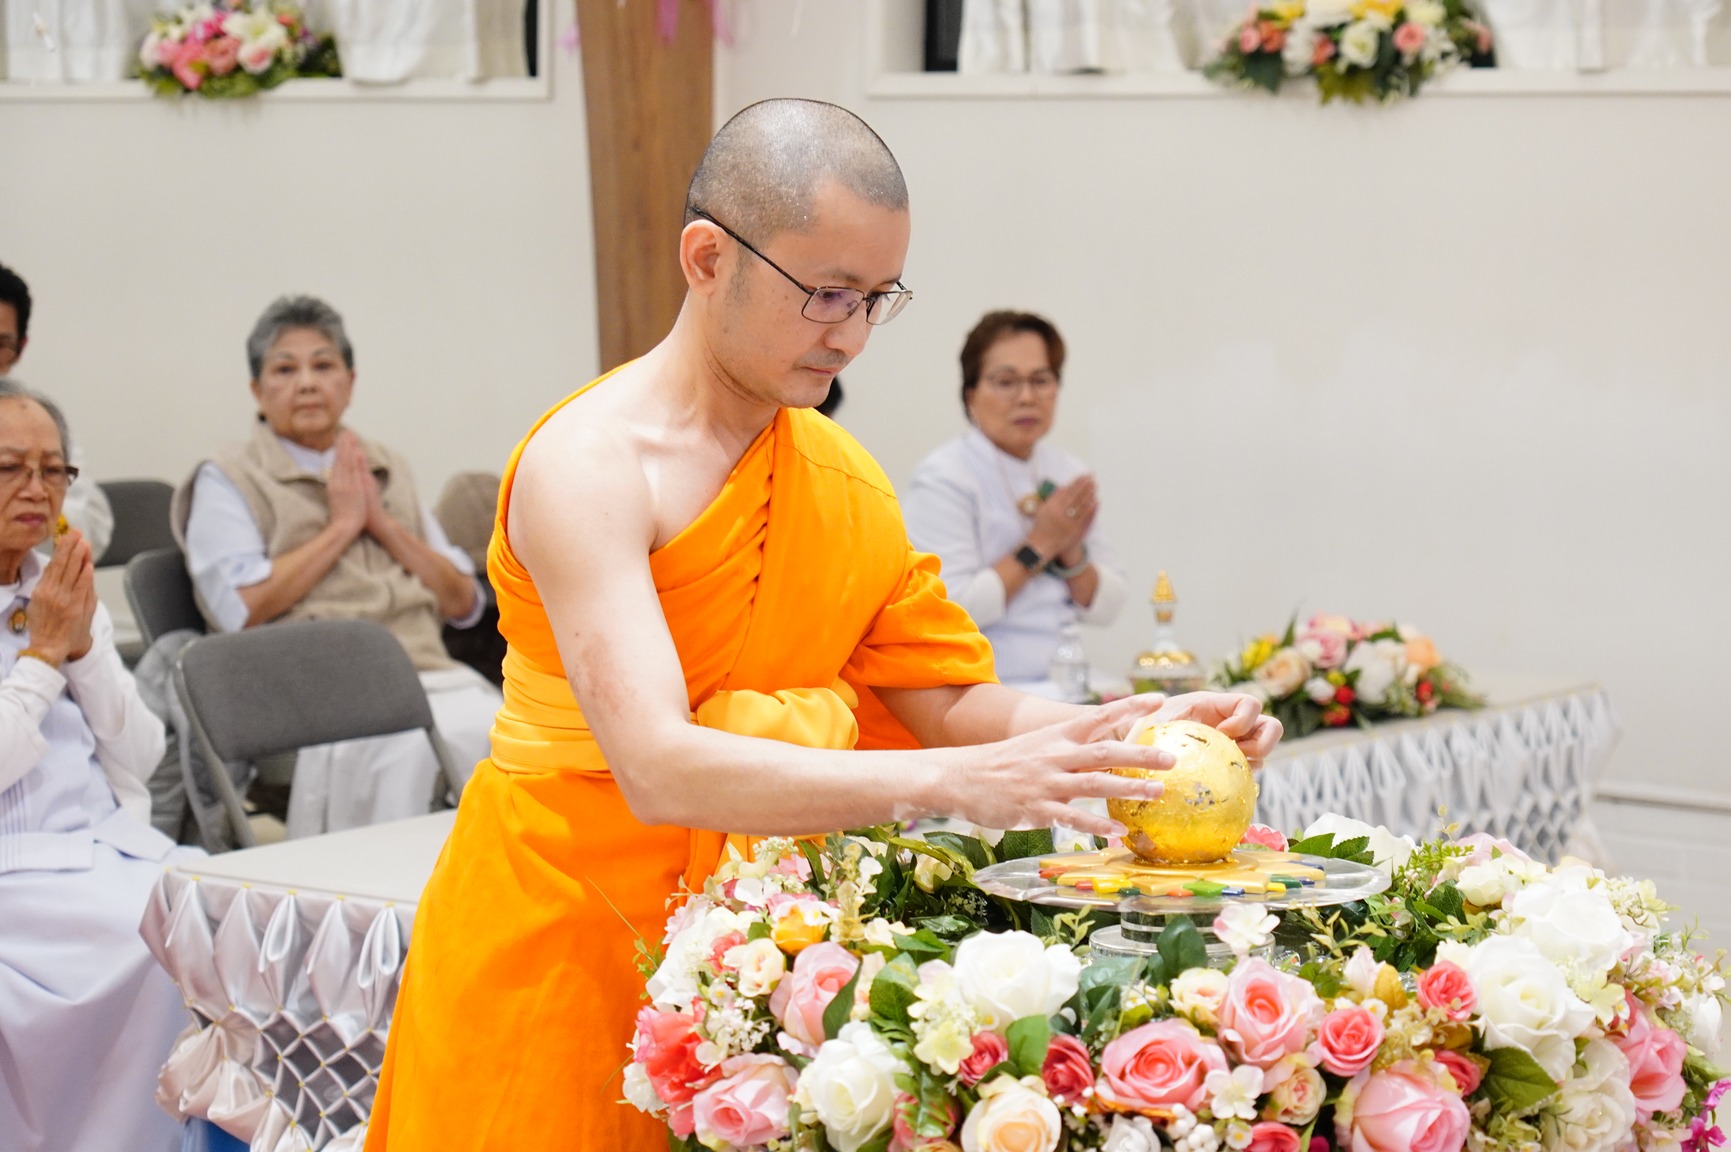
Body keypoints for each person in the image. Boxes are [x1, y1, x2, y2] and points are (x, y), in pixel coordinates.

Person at [364, 99, 1279, 1151]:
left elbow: (937, 700)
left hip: (760, 946)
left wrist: (1128, 738)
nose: (847, 333)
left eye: (875, 299)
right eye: (823, 294)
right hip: (562, 933)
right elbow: (656, 766)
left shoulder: (839, 477)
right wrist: (945, 788)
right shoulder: (591, 466)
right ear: (707, 257)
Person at [171, 296, 500, 836]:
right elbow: (239, 610)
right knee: (413, 751)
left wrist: (384, 524)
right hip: (319, 694)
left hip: (429, 674)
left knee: (513, 740)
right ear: (257, 390)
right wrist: (341, 528)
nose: (306, 383)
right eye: (284, 368)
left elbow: (464, 604)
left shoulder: (384, 465)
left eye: (323, 366)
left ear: (349, 381)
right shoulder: (227, 476)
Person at [0, 380, 187, 1152]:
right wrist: (42, 656)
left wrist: (79, 649)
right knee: (157, 938)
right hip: (17, 872)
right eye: (11, 468)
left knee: (235, 916)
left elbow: (143, 753)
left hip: (103, 845)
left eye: (55, 470)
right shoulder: (49, 607)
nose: (37, 490)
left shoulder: (62, 585)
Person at [903, 310, 1128, 687]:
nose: (1027, 397)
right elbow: (949, 609)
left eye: (1041, 380)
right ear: (971, 395)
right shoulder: (944, 477)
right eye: (1006, 382)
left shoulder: (1066, 472)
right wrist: (1040, 544)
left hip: (1065, 676)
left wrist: (1069, 550)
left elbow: (1108, 606)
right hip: (980, 684)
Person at [0, 262, 118, 555]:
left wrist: (31, 515)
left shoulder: (34, 421)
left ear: (20, 348)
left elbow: (93, 529)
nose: (36, 490)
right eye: (7, 467)